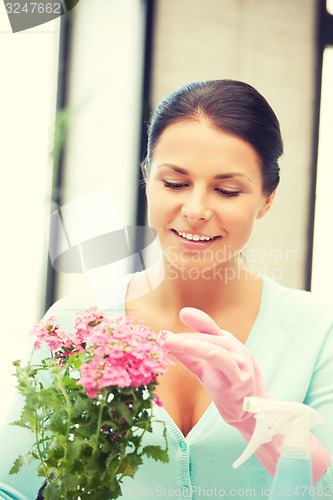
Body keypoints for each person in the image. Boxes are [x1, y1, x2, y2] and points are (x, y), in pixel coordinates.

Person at [0, 80, 332, 499]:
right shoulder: (73, 324)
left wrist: (255, 417)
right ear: (147, 179)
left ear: (266, 198)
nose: (195, 210)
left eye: (227, 190)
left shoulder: (317, 331)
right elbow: (12, 488)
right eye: (174, 183)